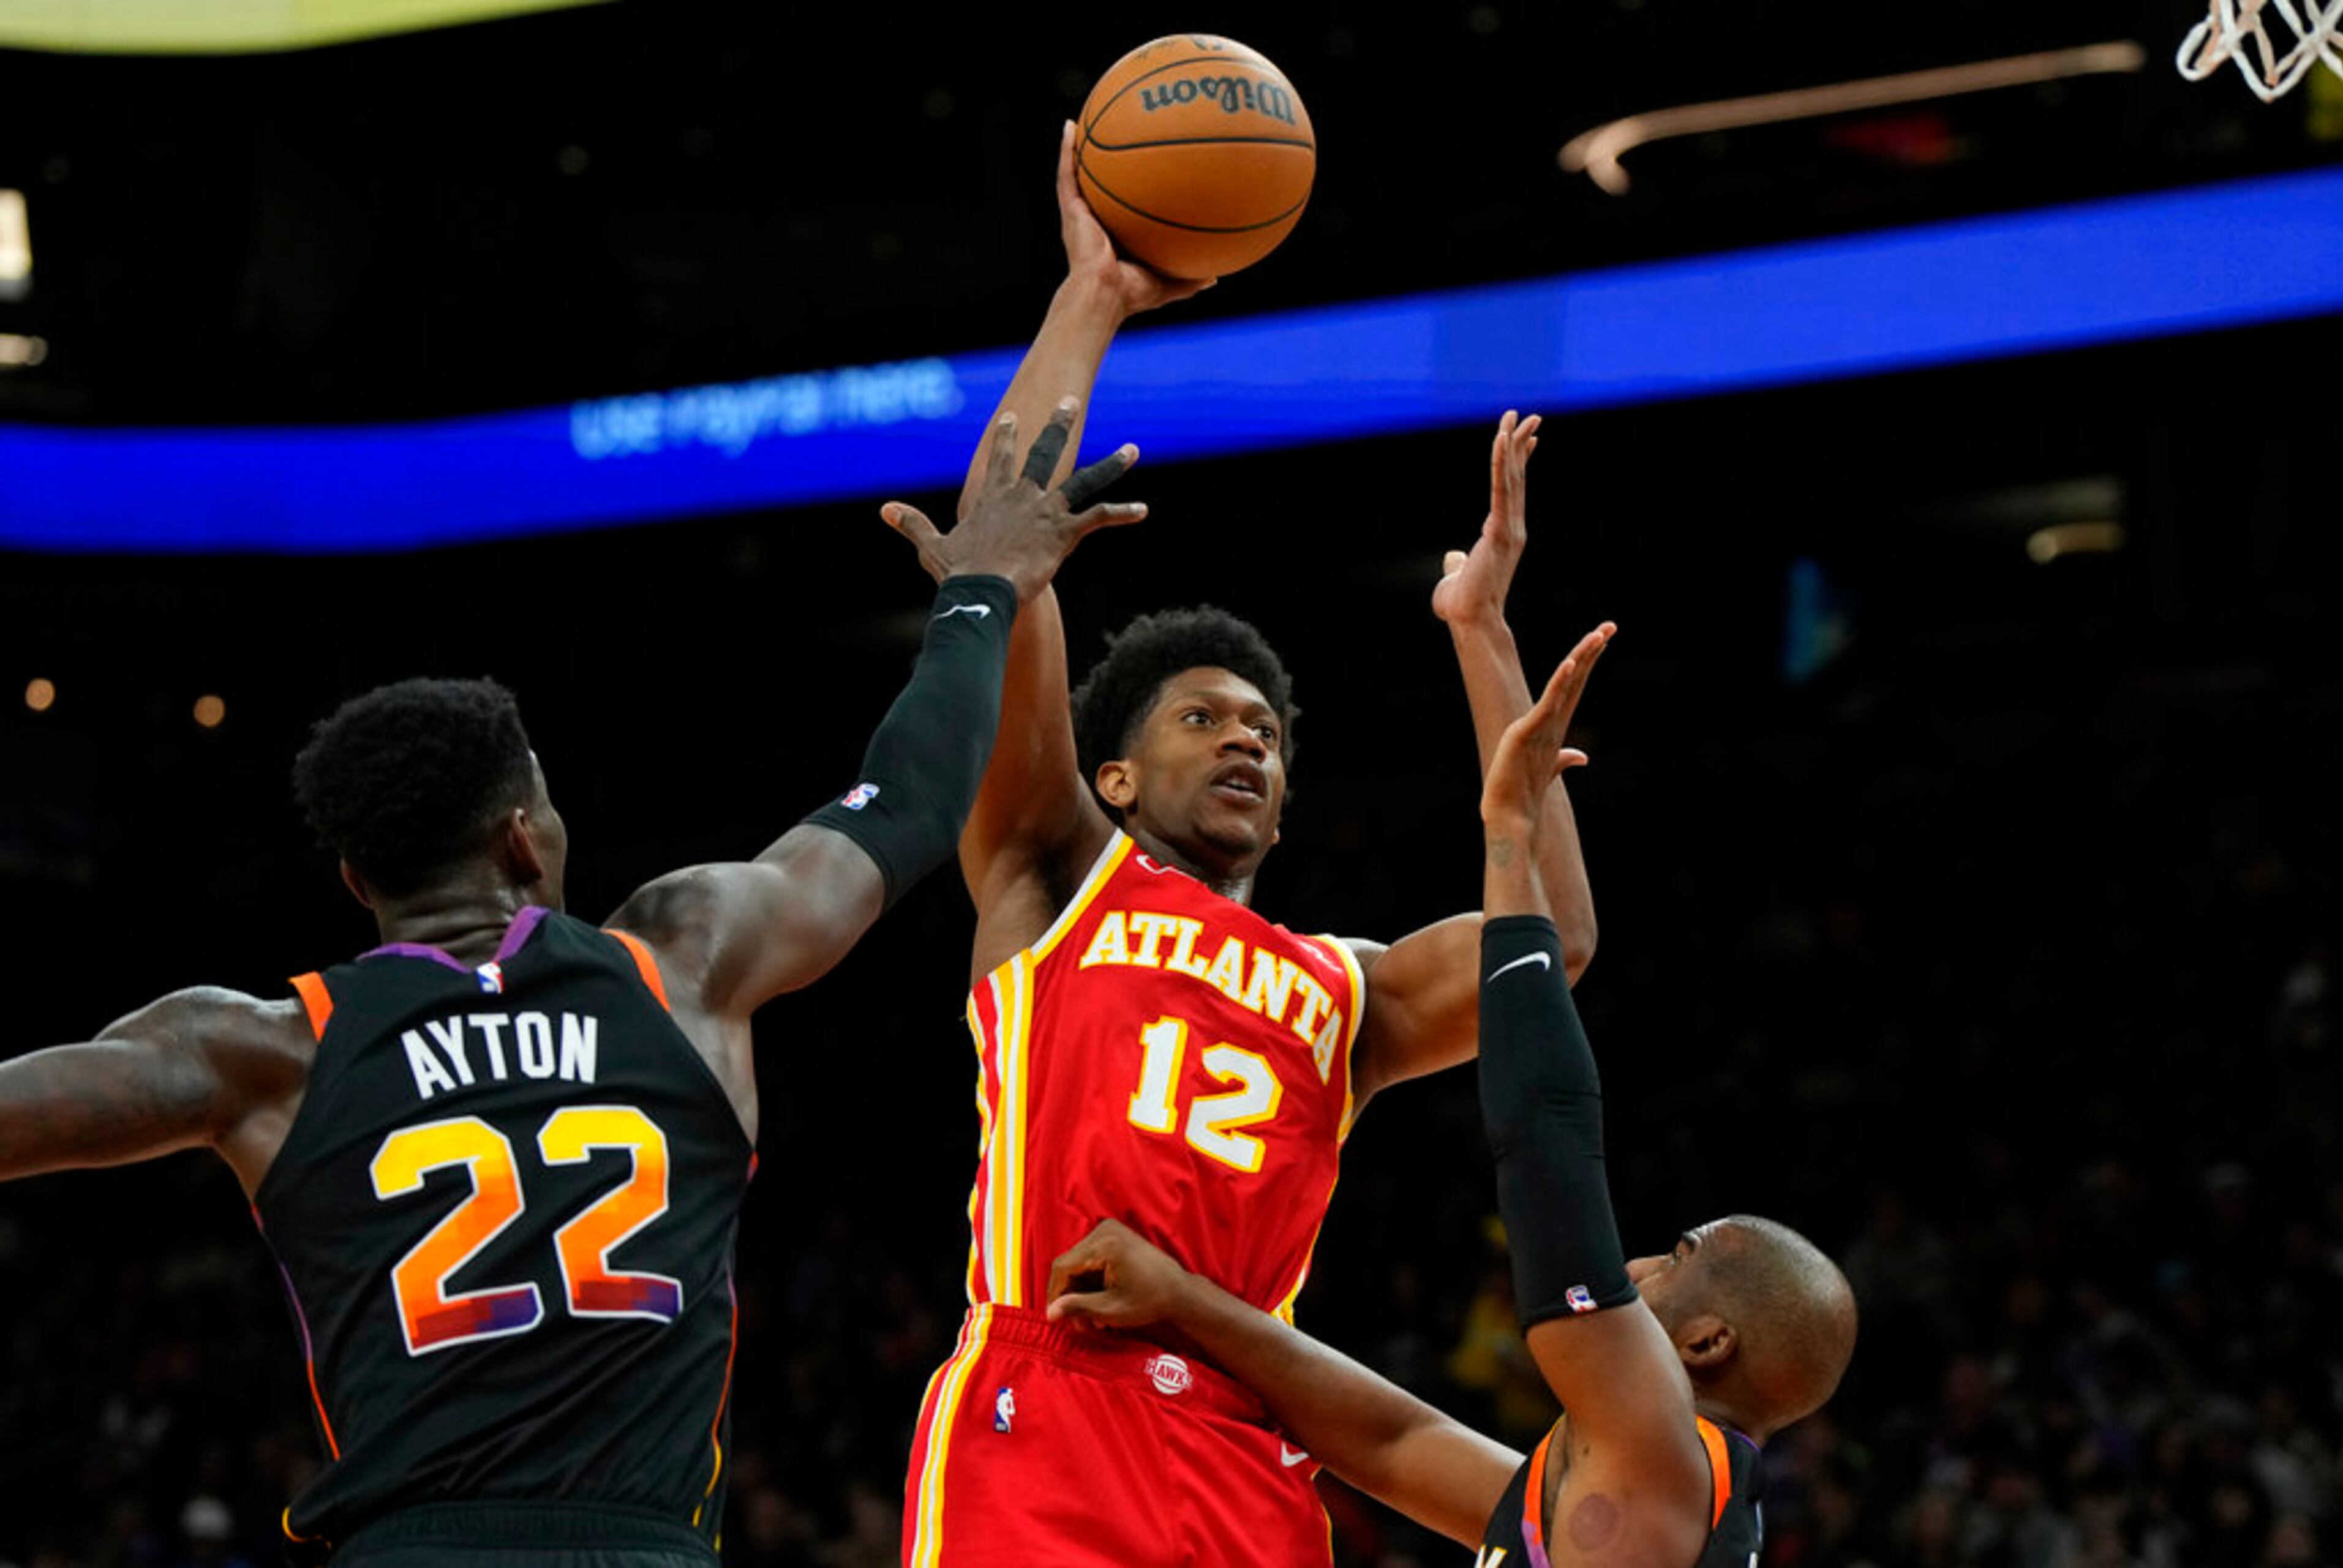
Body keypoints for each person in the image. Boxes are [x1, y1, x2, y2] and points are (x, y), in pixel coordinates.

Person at [0, 406, 1143, 1568]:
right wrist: (982, 590)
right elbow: (904, 802)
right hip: (643, 1548)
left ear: (358, 877)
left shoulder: (268, 1049)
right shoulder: (682, 960)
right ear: (521, 840)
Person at [893, 122, 1614, 1568]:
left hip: (1250, 1436)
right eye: (1204, 718)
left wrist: (1480, 636)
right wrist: (1091, 300)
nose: (1246, 740)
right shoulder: (1054, 876)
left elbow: (1556, 955)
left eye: (1268, 734)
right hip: (1049, 1403)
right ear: (1111, 769)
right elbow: (1001, 538)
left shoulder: (1339, 989)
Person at [1042, 647, 1860, 1567]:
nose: (1639, 1260)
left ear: (1710, 1341)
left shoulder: (1659, 1444)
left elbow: (1546, 1135)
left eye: (1680, 1255)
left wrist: (1508, 827)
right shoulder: (1618, 1483)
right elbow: (1385, 1439)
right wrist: (1479, 629)